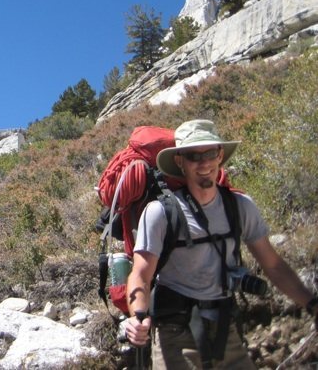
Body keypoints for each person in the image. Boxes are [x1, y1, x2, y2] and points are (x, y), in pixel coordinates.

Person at [125, 119, 318, 369]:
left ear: (220, 156)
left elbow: (274, 266)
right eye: (194, 155)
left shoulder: (240, 206)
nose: (204, 162)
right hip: (175, 335)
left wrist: (312, 304)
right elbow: (140, 274)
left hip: (227, 330)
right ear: (180, 162)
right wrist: (138, 317)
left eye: (210, 153)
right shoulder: (160, 212)